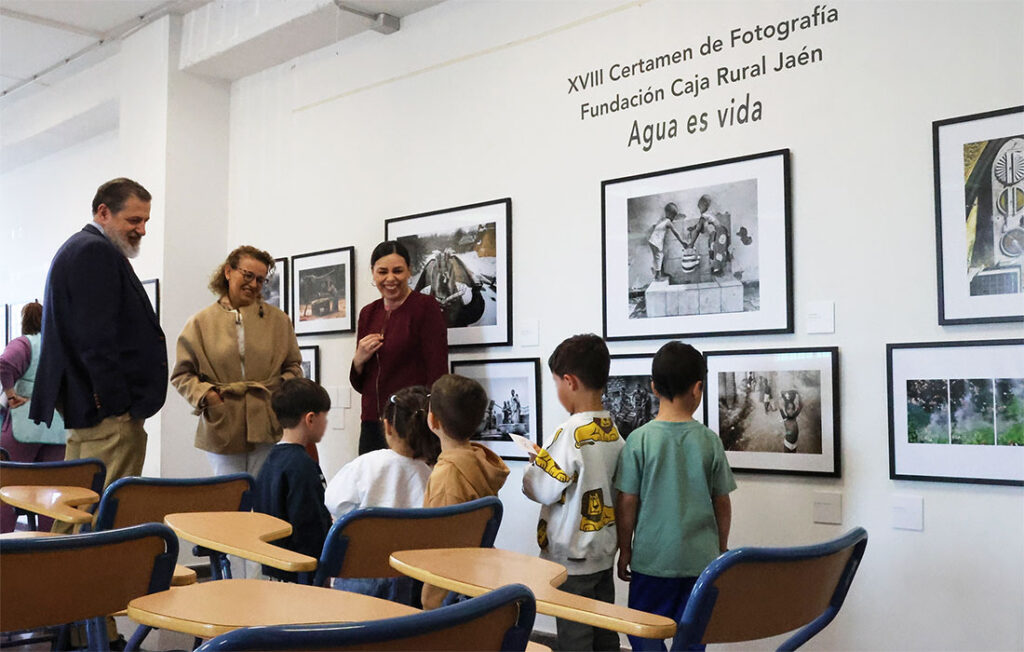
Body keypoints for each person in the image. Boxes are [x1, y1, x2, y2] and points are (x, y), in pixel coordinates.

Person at [30, 178, 166, 499]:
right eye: (134, 220)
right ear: (104, 212)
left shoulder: (80, 248)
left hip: (92, 412)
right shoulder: (94, 251)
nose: (142, 230)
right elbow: (95, 339)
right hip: (108, 418)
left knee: (76, 509)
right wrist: (116, 405)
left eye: (146, 221)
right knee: (103, 513)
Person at [614, 341, 737, 651]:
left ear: (653, 387)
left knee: (644, 631)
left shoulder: (638, 440)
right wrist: (721, 547)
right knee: (693, 636)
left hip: (652, 562)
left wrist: (625, 549)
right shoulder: (709, 441)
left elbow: (627, 501)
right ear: (698, 388)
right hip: (701, 562)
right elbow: (722, 502)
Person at [522, 334, 624, 652]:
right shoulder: (613, 431)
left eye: (556, 383)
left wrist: (536, 465)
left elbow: (541, 487)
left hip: (571, 556)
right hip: (603, 551)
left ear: (570, 382)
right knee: (605, 629)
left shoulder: (568, 432)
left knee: (574, 635)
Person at [171, 246, 302, 477]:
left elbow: (293, 366)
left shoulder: (279, 321)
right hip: (223, 420)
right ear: (228, 272)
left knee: (263, 491)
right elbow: (182, 374)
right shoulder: (200, 322)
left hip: (267, 418)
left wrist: (279, 390)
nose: (253, 284)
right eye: (248, 275)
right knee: (230, 492)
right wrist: (208, 396)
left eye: (260, 279)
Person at [324, 385, 439, 603]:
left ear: (387, 426)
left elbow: (334, 501)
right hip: (405, 574)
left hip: (359, 570)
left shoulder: (366, 464)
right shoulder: (431, 476)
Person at [350, 241, 448, 455]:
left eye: (397, 271)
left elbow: (438, 371)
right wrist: (358, 359)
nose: (390, 278)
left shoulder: (425, 307)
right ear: (373, 273)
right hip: (372, 423)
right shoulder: (368, 313)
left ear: (409, 271)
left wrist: (431, 418)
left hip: (412, 422)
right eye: (382, 272)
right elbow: (361, 384)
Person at [421, 373, 509, 608]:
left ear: (433, 420)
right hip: (474, 579)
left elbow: (439, 546)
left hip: (446, 594)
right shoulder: (480, 462)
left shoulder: (446, 477)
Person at [253, 378, 333, 582]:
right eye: (325, 417)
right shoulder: (303, 466)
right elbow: (309, 526)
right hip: (301, 572)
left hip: (274, 567)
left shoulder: (270, 460)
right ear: (310, 419)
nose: (326, 423)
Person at [1, 302, 67, 533]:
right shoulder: (59, 346)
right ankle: (49, 545)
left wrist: (11, 395)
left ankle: (4, 543)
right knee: (52, 494)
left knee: (7, 488)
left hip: (23, 426)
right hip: (57, 428)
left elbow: (4, 364)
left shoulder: (24, 343)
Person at [649, 202, 686, 281]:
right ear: (669, 214)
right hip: (656, 241)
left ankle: (660, 272)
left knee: (658, 256)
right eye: (673, 216)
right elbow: (676, 233)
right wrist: (682, 242)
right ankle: (658, 275)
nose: (673, 218)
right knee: (659, 256)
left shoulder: (662, 220)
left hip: (652, 240)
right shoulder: (668, 222)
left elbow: (656, 227)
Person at [779, 388, 803, 453]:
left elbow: (801, 406)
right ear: (786, 410)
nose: (791, 411)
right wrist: (781, 396)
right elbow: (780, 407)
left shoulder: (794, 416)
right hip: (788, 444)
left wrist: (798, 394)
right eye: (788, 409)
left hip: (795, 444)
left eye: (792, 408)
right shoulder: (784, 417)